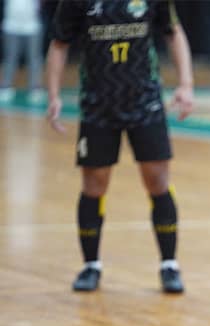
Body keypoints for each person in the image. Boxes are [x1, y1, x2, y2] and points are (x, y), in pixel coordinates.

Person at [46, 0, 194, 293]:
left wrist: (186, 84)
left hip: (146, 102)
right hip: (97, 105)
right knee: (94, 184)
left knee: (157, 180)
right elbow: (59, 44)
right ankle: (91, 265)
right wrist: (53, 96)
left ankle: (169, 264)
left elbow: (173, 32)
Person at [0, 0, 45, 104]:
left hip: (32, 26)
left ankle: (35, 88)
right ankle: (6, 87)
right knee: (10, 58)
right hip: (10, 26)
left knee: (34, 58)